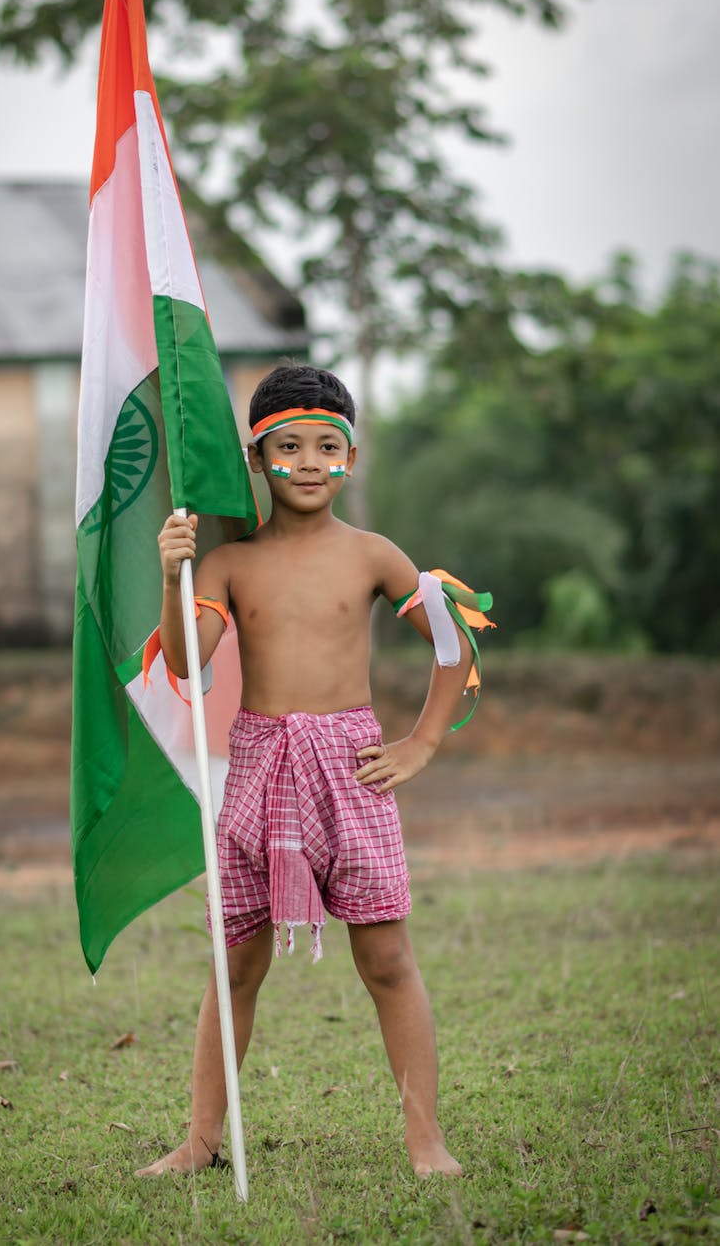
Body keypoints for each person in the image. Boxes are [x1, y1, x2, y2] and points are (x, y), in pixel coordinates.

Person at [137, 363, 492, 1180]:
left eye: (325, 446)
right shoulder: (228, 566)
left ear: (350, 459)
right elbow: (188, 659)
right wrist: (172, 577)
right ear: (255, 458)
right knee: (234, 965)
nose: (306, 461)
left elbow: (454, 642)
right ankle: (198, 1142)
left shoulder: (373, 556)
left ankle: (425, 1140)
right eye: (286, 446)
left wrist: (422, 743)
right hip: (259, 764)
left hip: (353, 768)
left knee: (388, 960)